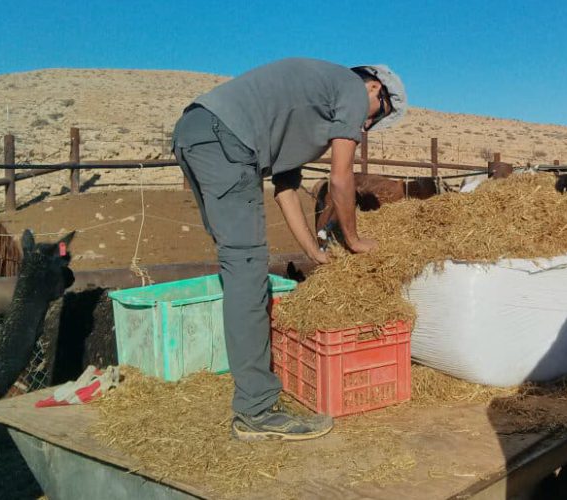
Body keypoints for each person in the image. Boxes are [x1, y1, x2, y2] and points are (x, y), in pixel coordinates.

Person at [171, 58, 407, 441]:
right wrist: (355, 239)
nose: (365, 126)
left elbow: (285, 190)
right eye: (376, 117)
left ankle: (252, 394)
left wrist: (313, 250)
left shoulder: (306, 104)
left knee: (237, 264)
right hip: (226, 138)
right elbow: (341, 177)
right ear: (375, 89)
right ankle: (256, 411)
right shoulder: (350, 88)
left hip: (195, 130)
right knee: (247, 270)